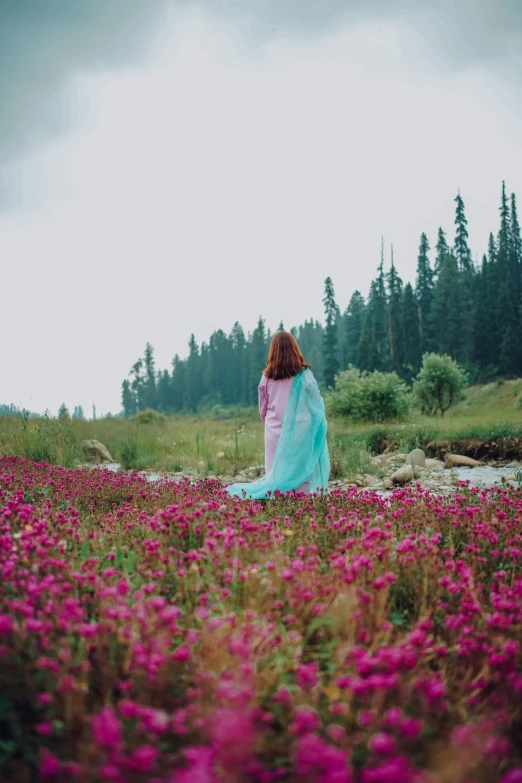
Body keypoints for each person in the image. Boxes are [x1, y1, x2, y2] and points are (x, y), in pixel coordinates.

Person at [225, 331, 330, 499]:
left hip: (274, 431)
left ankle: (276, 504)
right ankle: (299, 504)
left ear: (273, 351)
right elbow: (316, 406)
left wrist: (272, 422)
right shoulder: (304, 376)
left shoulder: (267, 377)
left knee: (276, 471)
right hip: (299, 432)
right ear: (294, 349)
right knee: (299, 467)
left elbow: (263, 409)